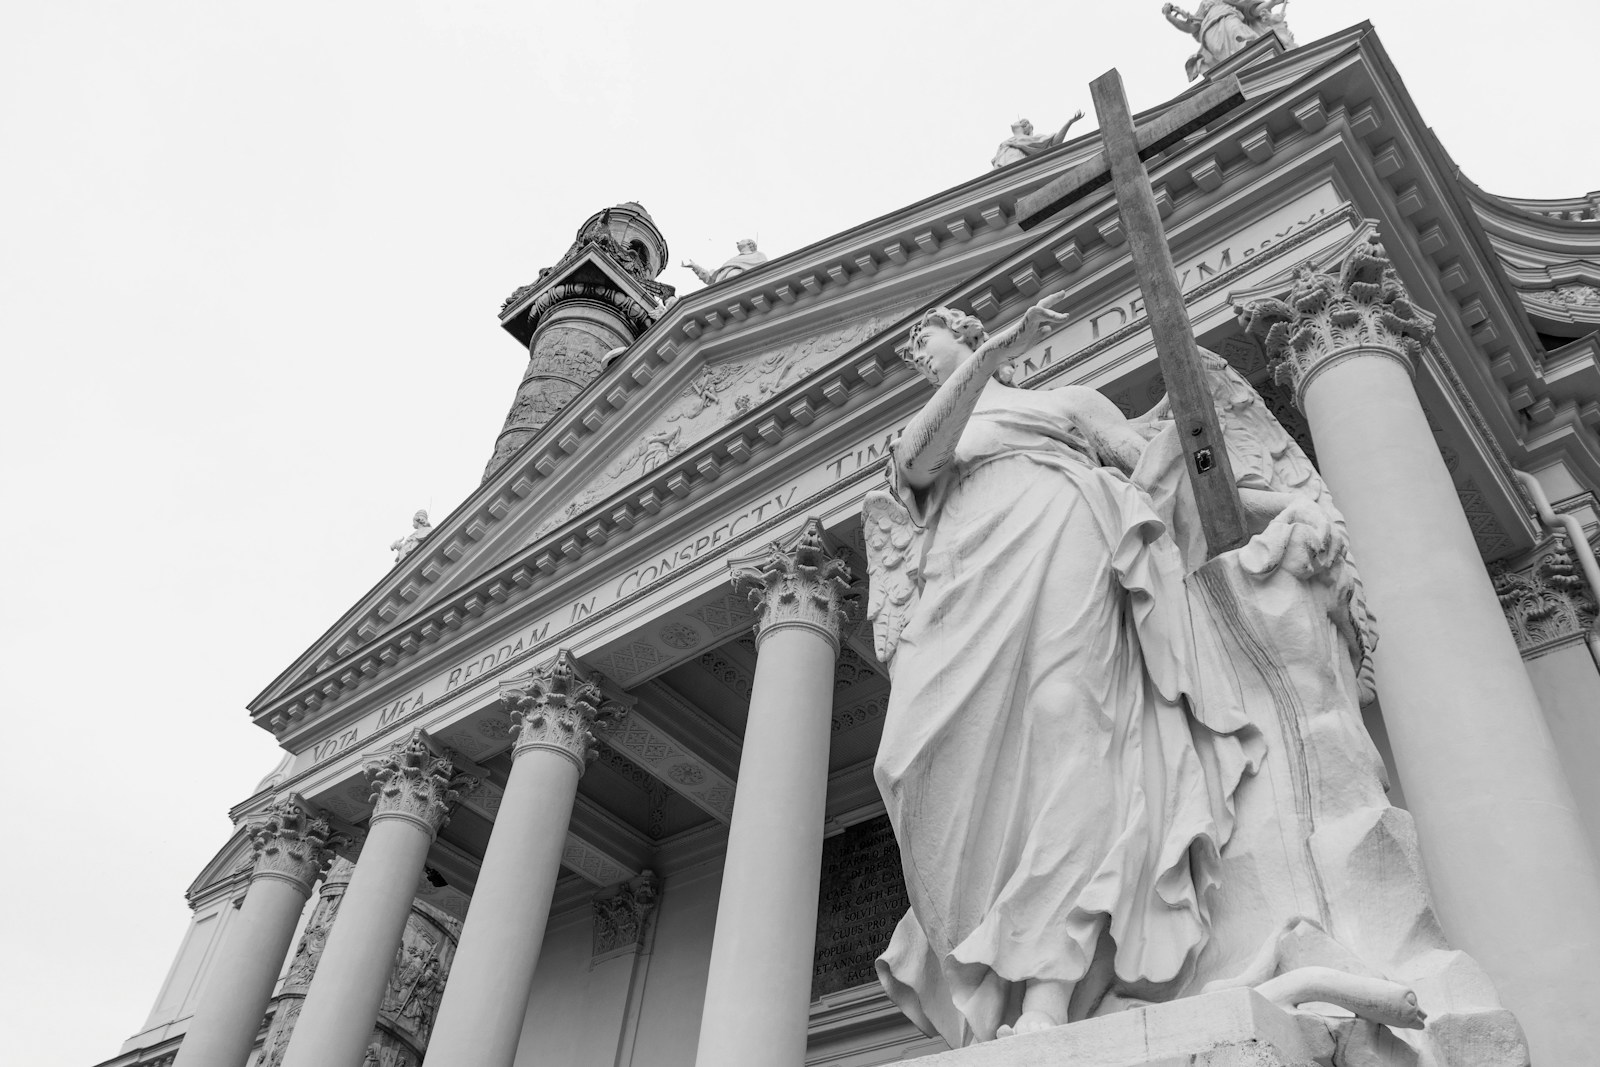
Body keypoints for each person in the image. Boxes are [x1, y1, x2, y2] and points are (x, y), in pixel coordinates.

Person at [867, 294, 1267, 1044]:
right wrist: (990, 358)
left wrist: (1241, 485)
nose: (916, 355)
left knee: (1069, 727)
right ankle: (978, 962)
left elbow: (1155, 467)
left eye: (925, 339)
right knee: (906, 763)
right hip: (966, 577)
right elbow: (918, 457)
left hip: (1063, 530)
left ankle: (1049, 985)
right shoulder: (935, 432)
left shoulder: (1065, 403)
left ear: (966, 331)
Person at [1161, 0, 1293, 81]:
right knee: (1227, 61)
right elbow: (1190, 27)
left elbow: (1252, 10)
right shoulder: (1204, 4)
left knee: (1242, 38)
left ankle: (1259, 65)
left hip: (1230, 19)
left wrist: (1272, 2)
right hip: (1209, 33)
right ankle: (1240, 78)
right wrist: (1169, 16)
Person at [990, 112, 1085, 169]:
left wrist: (1069, 123)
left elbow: (1055, 143)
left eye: (1023, 126)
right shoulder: (1007, 143)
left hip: (1020, 170)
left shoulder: (1035, 139)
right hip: (1002, 174)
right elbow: (995, 161)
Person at [682, 238, 768, 286]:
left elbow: (764, 272)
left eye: (742, 241)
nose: (737, 241)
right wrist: (695, 266)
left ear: (749, 244)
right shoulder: (732, 261)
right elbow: (711, 280)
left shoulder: (758, 256)